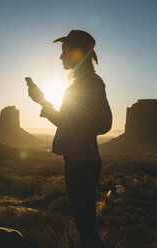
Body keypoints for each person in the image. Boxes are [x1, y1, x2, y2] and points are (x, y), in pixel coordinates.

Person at [27, 30, 112, 248]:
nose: (60, 57)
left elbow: (105, 123)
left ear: (76, 53)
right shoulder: (81, 84)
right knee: (85, 227)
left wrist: (79, 128)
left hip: (82, 164)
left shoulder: (91, 83)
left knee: (87, 229)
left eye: (64, 52)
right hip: (78, 161)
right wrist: (42, 101)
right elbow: (65, 122)